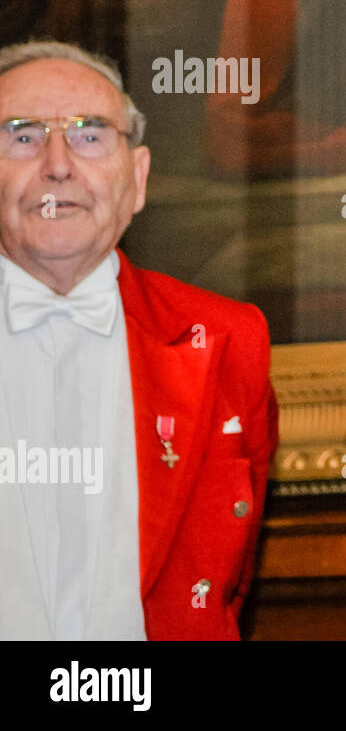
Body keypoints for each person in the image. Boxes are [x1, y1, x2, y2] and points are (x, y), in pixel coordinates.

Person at [0, 40, 278, 639]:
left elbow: (226, 581)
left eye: (90, 134)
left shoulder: (229, 340)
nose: (57, 164)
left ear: (139, 177)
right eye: (21, 135)